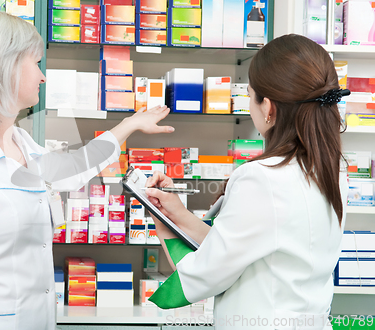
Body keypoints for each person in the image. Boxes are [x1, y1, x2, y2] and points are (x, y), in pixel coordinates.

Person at [0, 12, 174, 330]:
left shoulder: (24, 145)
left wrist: (129, 125)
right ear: (1, 67)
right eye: (35, 63)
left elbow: (78, 167)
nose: (43, 77)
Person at [145, 34, 349, 330]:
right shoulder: (332, 170)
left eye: (249, 95)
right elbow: (246, 245)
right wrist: (178, 214)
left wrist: (165, 228)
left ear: (268, 107)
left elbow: (205, 274)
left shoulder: (262, 177)